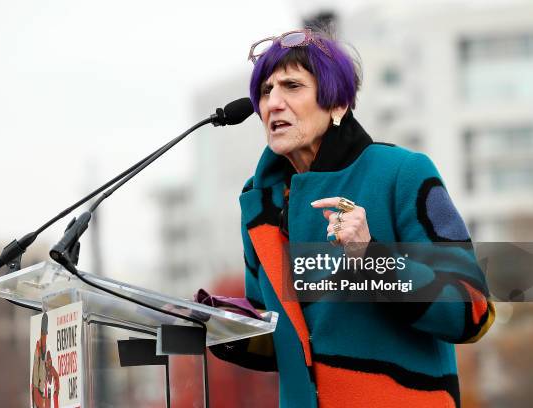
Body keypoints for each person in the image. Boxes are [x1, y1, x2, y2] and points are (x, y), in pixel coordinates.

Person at [211, 28, 495, 407]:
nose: (273, 103)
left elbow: (471, 311)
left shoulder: (401, 174)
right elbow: (283, 338)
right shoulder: (260, 202)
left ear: (338, 105)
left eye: (292, 86)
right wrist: (214, 325)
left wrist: (370, 256)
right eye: (265, 91)